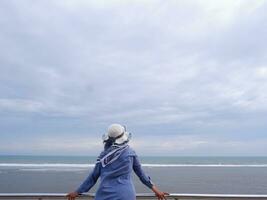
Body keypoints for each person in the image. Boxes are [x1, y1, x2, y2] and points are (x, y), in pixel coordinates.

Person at [66, 123, 168, 200]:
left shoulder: (103, 155)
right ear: (124, 136)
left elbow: (93, 177)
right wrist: (156, 190)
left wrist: (77, 192)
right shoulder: (130, 153)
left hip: (104, 195)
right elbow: (141, 174)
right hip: (126, 195)